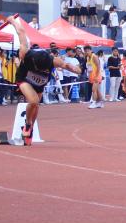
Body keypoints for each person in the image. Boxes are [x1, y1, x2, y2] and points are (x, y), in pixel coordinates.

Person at [11, 17, 80, 145]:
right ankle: (27, 124)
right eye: (40, 68)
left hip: (40, 84)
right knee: (33, 101)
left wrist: (77, 70)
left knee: (36, 105)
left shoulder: (53, 60)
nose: (43, 69)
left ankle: (30, 126)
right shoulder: (25, 53)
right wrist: (13, 21)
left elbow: (66, 65)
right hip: (24, 79)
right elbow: (21, 32)